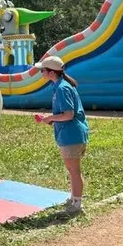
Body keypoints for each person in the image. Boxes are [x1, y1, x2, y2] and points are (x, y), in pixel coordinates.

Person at [35, 56, 89, 214]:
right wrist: (51, 119)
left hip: (71, 134)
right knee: (71, 169)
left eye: (42, 70)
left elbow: (69, 114)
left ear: (51, 72)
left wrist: (51, 118)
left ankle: (77, 204)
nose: (41, 73)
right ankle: (74, 198)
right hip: (69, 134)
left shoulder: (62, 88)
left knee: (74, 170)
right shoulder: (60, 86)